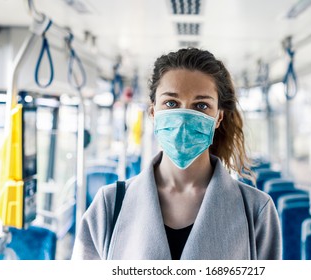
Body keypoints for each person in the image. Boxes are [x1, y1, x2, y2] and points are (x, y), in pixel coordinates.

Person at [71, 48, 281, 260]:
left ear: (218, 118)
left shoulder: (256, 209)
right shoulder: (109, 205)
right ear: (153, 112)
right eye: (171, 103)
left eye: (201, 106)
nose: (183, 119)